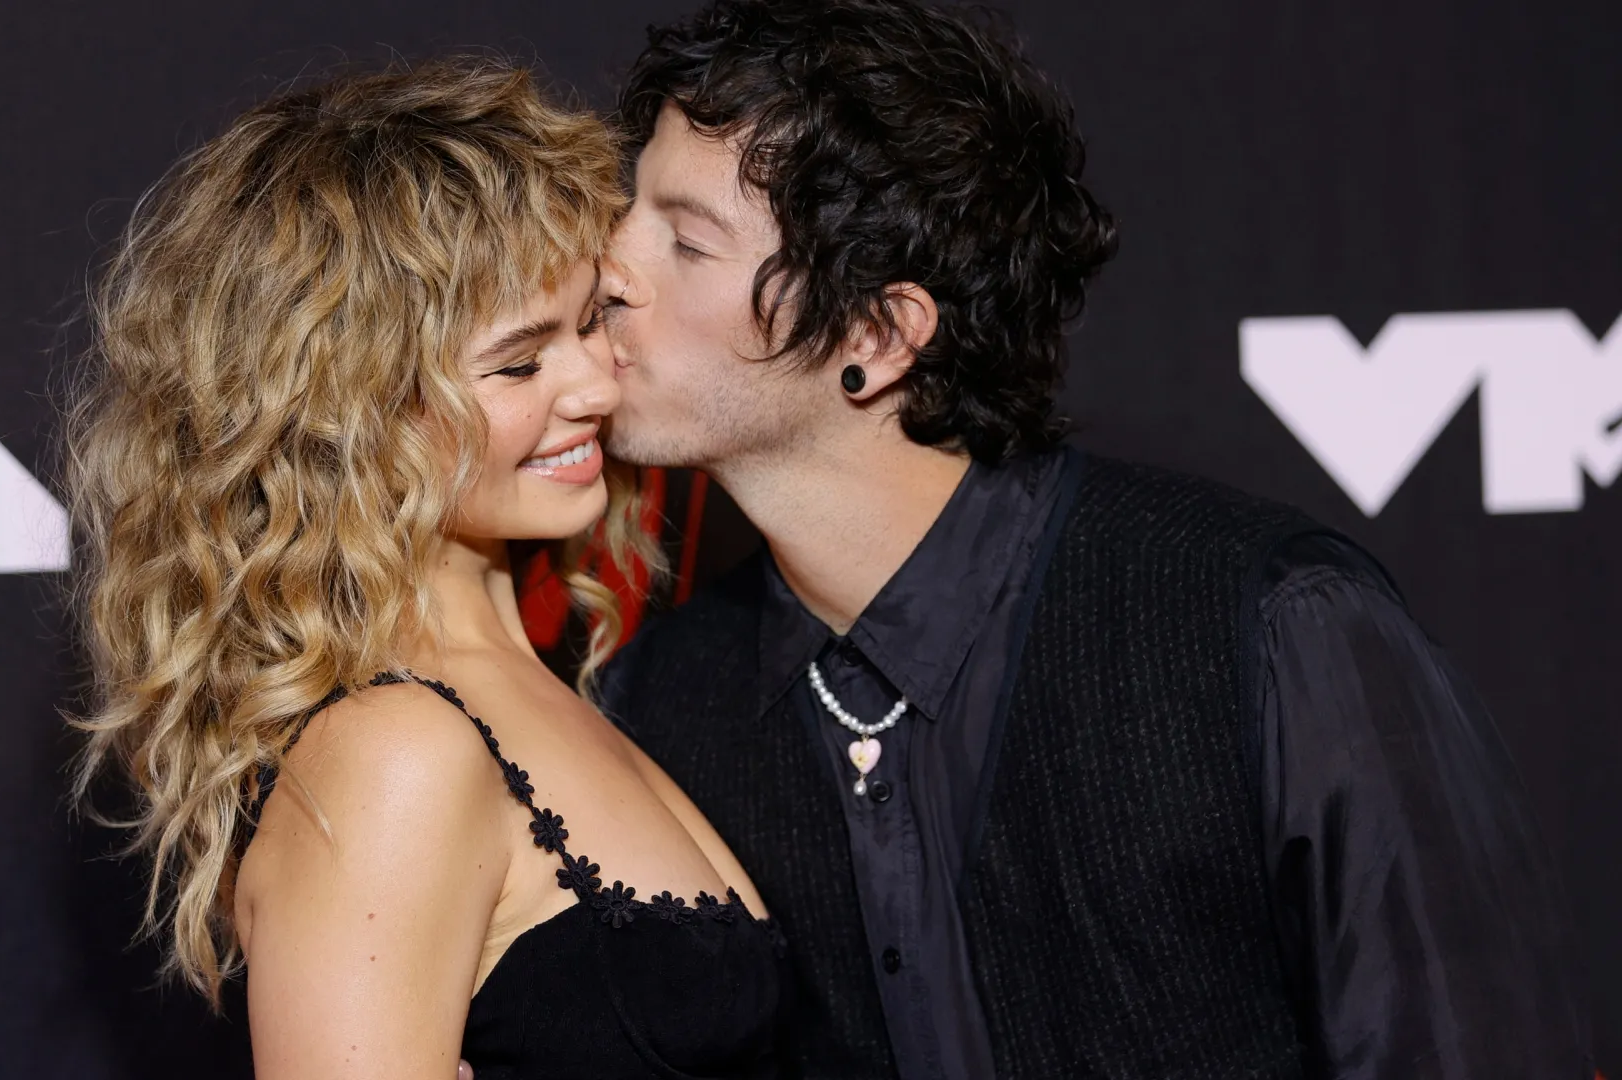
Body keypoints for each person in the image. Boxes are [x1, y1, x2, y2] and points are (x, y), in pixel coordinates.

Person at [593, 1, 1595, 1077]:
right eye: (628, 209)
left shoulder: (1268, 633)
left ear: (877, 335)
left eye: (686, 241)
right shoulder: (660, 707)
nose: (608, 268)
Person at [63, 60, 786, 1079]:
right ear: (351, 416)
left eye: (590, 321)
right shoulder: (392, 754)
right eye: (520, 362)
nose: (594, 383)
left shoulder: (541, 681)